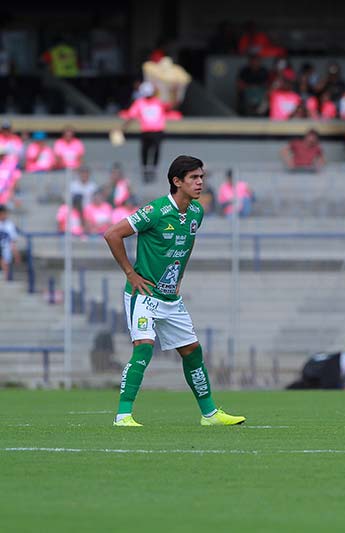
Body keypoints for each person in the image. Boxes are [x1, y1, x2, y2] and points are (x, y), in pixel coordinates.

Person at [103, 155, 245, 426]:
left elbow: (187, 244)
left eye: (202, 177)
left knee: (193, 351)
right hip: (143, 293)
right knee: (144, 348)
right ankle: (123, 415)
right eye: (194, 177)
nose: (200, 182)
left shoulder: (195, 212)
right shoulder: (156, 210)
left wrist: (179, 275)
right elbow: (112, 234)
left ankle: (210, 415)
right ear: (176, 181)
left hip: (170, 296)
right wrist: (131, 274)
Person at [118, 81, 182, 183]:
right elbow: (131, 116)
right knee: (145, 152)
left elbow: (171, 106)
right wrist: (122, 129)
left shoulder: (157, 102)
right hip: (146, 131)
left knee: (155, 152)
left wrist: (174, 92)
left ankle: (153, 172)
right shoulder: (140, 103)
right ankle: (145, 174)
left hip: (157, 131)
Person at [0, 204, 21, 280]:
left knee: (5, 260)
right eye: (2, 213)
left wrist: (16, 255)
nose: (4, 214)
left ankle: (6, 280)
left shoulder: (10, 225)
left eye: (4, 212)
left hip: (5, 248)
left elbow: (13, 242)